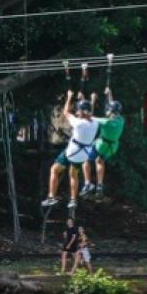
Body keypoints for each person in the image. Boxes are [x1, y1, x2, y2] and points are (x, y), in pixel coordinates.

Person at [42, 77, 99, 211]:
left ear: (81, 112)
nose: (77, 111)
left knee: (54, 170)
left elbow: (66, 112)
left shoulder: (77, 123)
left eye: (78, 110)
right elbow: (90, 114)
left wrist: (69, 97)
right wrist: (89, 100)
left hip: (72, 152)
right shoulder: (94, 123)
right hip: (84, 155)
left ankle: (51, 196)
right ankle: (73, 200)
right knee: (73, 174)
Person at [81, 88, 125, 196]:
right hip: (112, 148)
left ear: (111, 111)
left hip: (101, 145)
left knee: (86, 159)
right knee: (100, 161)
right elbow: (113, 107)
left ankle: (87, 183)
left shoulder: (105, 122)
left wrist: (91, 101)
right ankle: (100, 184)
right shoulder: (121, 120)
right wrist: (109, 94)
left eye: (108, 109)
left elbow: (89, 117)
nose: (107, 110)